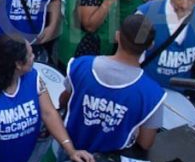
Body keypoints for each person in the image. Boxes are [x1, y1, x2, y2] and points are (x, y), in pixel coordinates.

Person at [63, 15, 166, 153]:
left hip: (70, 149)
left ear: (117, 36)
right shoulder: (152, 93)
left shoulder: (81, 65)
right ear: (151, 45)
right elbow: (146, 143)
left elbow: (64, 100)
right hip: (110, 161)